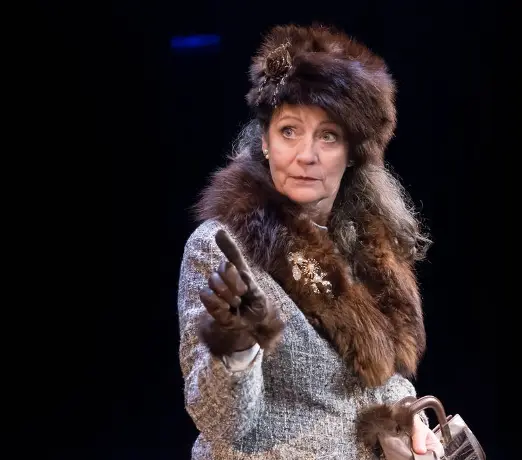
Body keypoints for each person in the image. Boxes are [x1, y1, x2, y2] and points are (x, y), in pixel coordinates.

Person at [177, 23, 441, 459]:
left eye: (328, 136)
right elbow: (222, 425)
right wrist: (238, 345)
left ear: (352, 153)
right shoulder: (222, 248)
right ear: (265, 142)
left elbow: (382, 380)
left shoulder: (369, 244)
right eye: (289, 131)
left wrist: (408, 421)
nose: (306, 155)